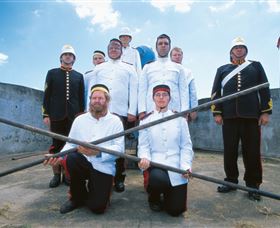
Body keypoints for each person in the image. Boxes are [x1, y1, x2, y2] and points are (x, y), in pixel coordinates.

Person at [44, 84, 124, 214]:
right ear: (90, 100)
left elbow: (119, 149)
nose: (97, 101)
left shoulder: (115, 121)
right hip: (83, 162)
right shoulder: (80, 120)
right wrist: (59, 156)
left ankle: (98, 190)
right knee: (72, 158)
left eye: (100, 98)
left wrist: (98, 152)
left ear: (107, 101)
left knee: (97, 208)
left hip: (103, 166)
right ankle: (77, 197)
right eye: (94, 98)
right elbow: (71, 144)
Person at [211, 37, 273, 201]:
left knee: (252, 152)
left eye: (242, 47)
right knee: (229, 151)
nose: (239, 49)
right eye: (236, 47)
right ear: (231, 51)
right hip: (229, 116)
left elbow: (265, 89)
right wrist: (217, 112)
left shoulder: (256, 66)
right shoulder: (222, 69)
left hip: (251, 116)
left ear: (246, 50)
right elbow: (216, 92)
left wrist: (266, 111)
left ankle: (253, 186)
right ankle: (231, 182)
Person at [87, 38, 138, 192]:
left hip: (121, 112)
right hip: (99, 112)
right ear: (108, 50)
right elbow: (91, 90)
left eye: (117, 47)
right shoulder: (99, 68)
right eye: (111, 47)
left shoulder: (129, 68)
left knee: (118, 147)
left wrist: (132, 110)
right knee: (97, 142)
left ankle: (119, 178)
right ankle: (98, 174)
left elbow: (134, 90)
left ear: (122, 50)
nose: (114, 49)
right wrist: (87, 110)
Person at [138, 85, 194, 216]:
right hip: (156, 164)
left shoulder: (180, 119)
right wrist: (144, 158)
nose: (161, 97)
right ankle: (154, 197)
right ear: (153, 98)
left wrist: (186, 166)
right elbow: (143, 145)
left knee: (175, 211)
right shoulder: (146, 120)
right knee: (157, 179)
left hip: (176, 165)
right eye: (158, 95)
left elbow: (186, 146)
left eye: (165, 94)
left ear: (169, 98)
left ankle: (170, 194)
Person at [42, 44, 85, 188]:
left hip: (73, 118)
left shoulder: (79, 76)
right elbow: (46, 96)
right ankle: (56, 175)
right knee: (56, 146)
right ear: (61, 57)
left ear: (74, 59)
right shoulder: (52, 73)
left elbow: (81, 98)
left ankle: (68, 174)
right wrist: (46, 114)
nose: (68, 56)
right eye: (65, 54)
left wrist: (80, 116)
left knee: (71, 147)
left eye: (70, 55)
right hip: (56, 115)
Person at [138, 34, 188, 120]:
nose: (163, 46)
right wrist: (142, 111)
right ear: (156, 47)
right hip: (151, 110)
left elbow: (184, 90)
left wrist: (185, 111)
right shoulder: (147, 67)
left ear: (169, 47)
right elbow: (142, 90)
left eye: (166, 43)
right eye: (160, 44)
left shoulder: (178, 68)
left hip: (174, 110)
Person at [170, 47, 198, 121]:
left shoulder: (188, 72)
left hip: (184, 110)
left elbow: (193, 92)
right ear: (171, 57)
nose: (177, 57)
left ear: (182, 56)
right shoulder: (166, 72)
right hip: (168, 108)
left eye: (179, 55)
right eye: (175, 55)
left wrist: (194, 109)